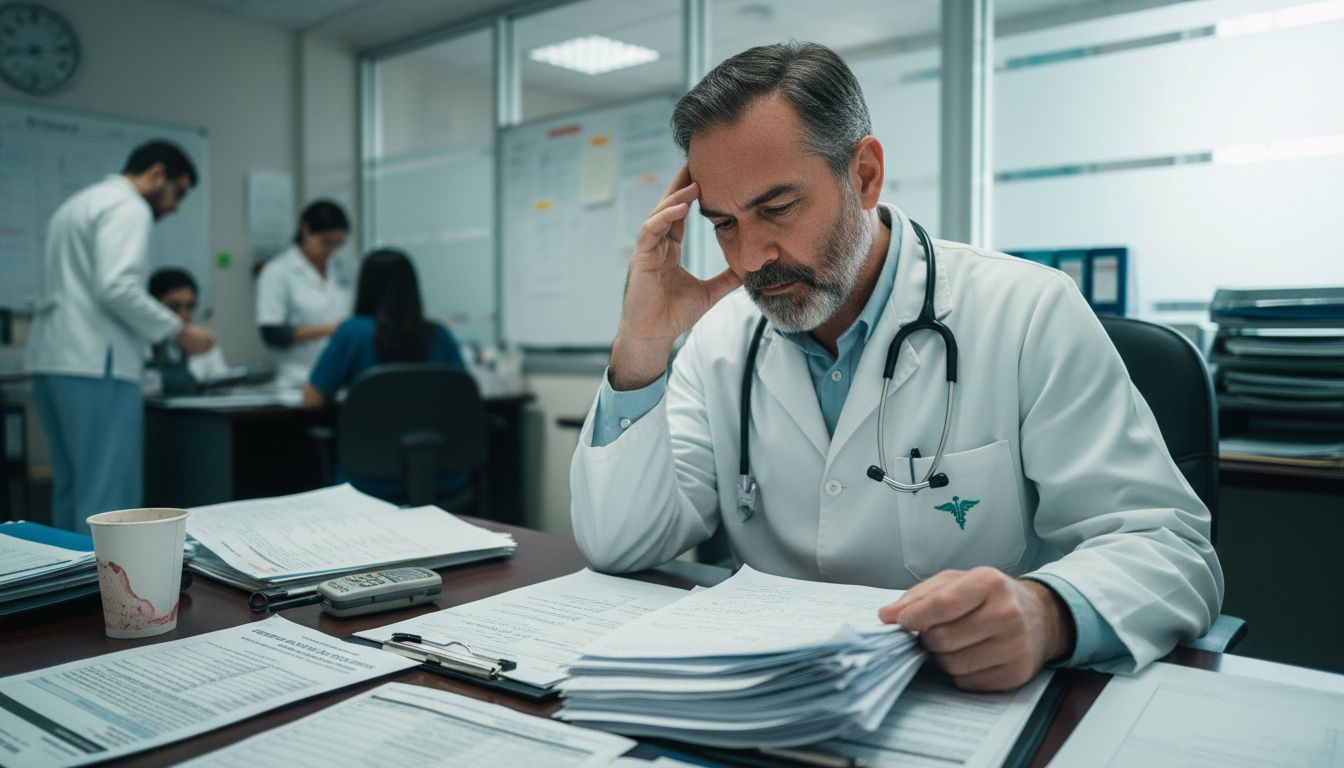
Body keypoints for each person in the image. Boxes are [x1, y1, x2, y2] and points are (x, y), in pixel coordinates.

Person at [569, 42, 1223, 691]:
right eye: (724, 223)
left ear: (864, 175)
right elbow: (620, 544)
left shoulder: (1026, 312)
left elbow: (1170, 549)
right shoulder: (721, 340)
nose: (752, 258)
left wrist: (1047, 613)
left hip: (966, 700)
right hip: (769, 700)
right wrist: (641, 340)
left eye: (776, 208)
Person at [25, 140, 213, 534]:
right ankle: (105, 595)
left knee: (72, 489)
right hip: (97, 365)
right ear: (157, 173)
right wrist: (177, 330)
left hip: (51, 361)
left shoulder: (78, 204)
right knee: (107, 498)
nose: (176, 206)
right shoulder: (129, 206)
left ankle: (70, 589)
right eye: (178, 192)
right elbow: (116, 286)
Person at [303, 248, 469, 500]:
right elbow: (463, 395)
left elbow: (312, 399)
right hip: (443, 477)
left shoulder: (353, 333)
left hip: (368, 483)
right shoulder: (439, 335)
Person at [255, 199, 353, 388]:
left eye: (338, 244)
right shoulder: (278, 271)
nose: (332, 251)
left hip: (342, 378)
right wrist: (332, 330)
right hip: (300, 380)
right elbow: (273, 334)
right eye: (326, 242)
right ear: (305, 230)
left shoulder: (344, 267)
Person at [146, 267, 230, 389]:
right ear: (152, 306)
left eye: (190, 307)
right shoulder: (139, 344)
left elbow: (222, 384)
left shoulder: (202, 342)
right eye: (174, 307)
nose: (184, 314)